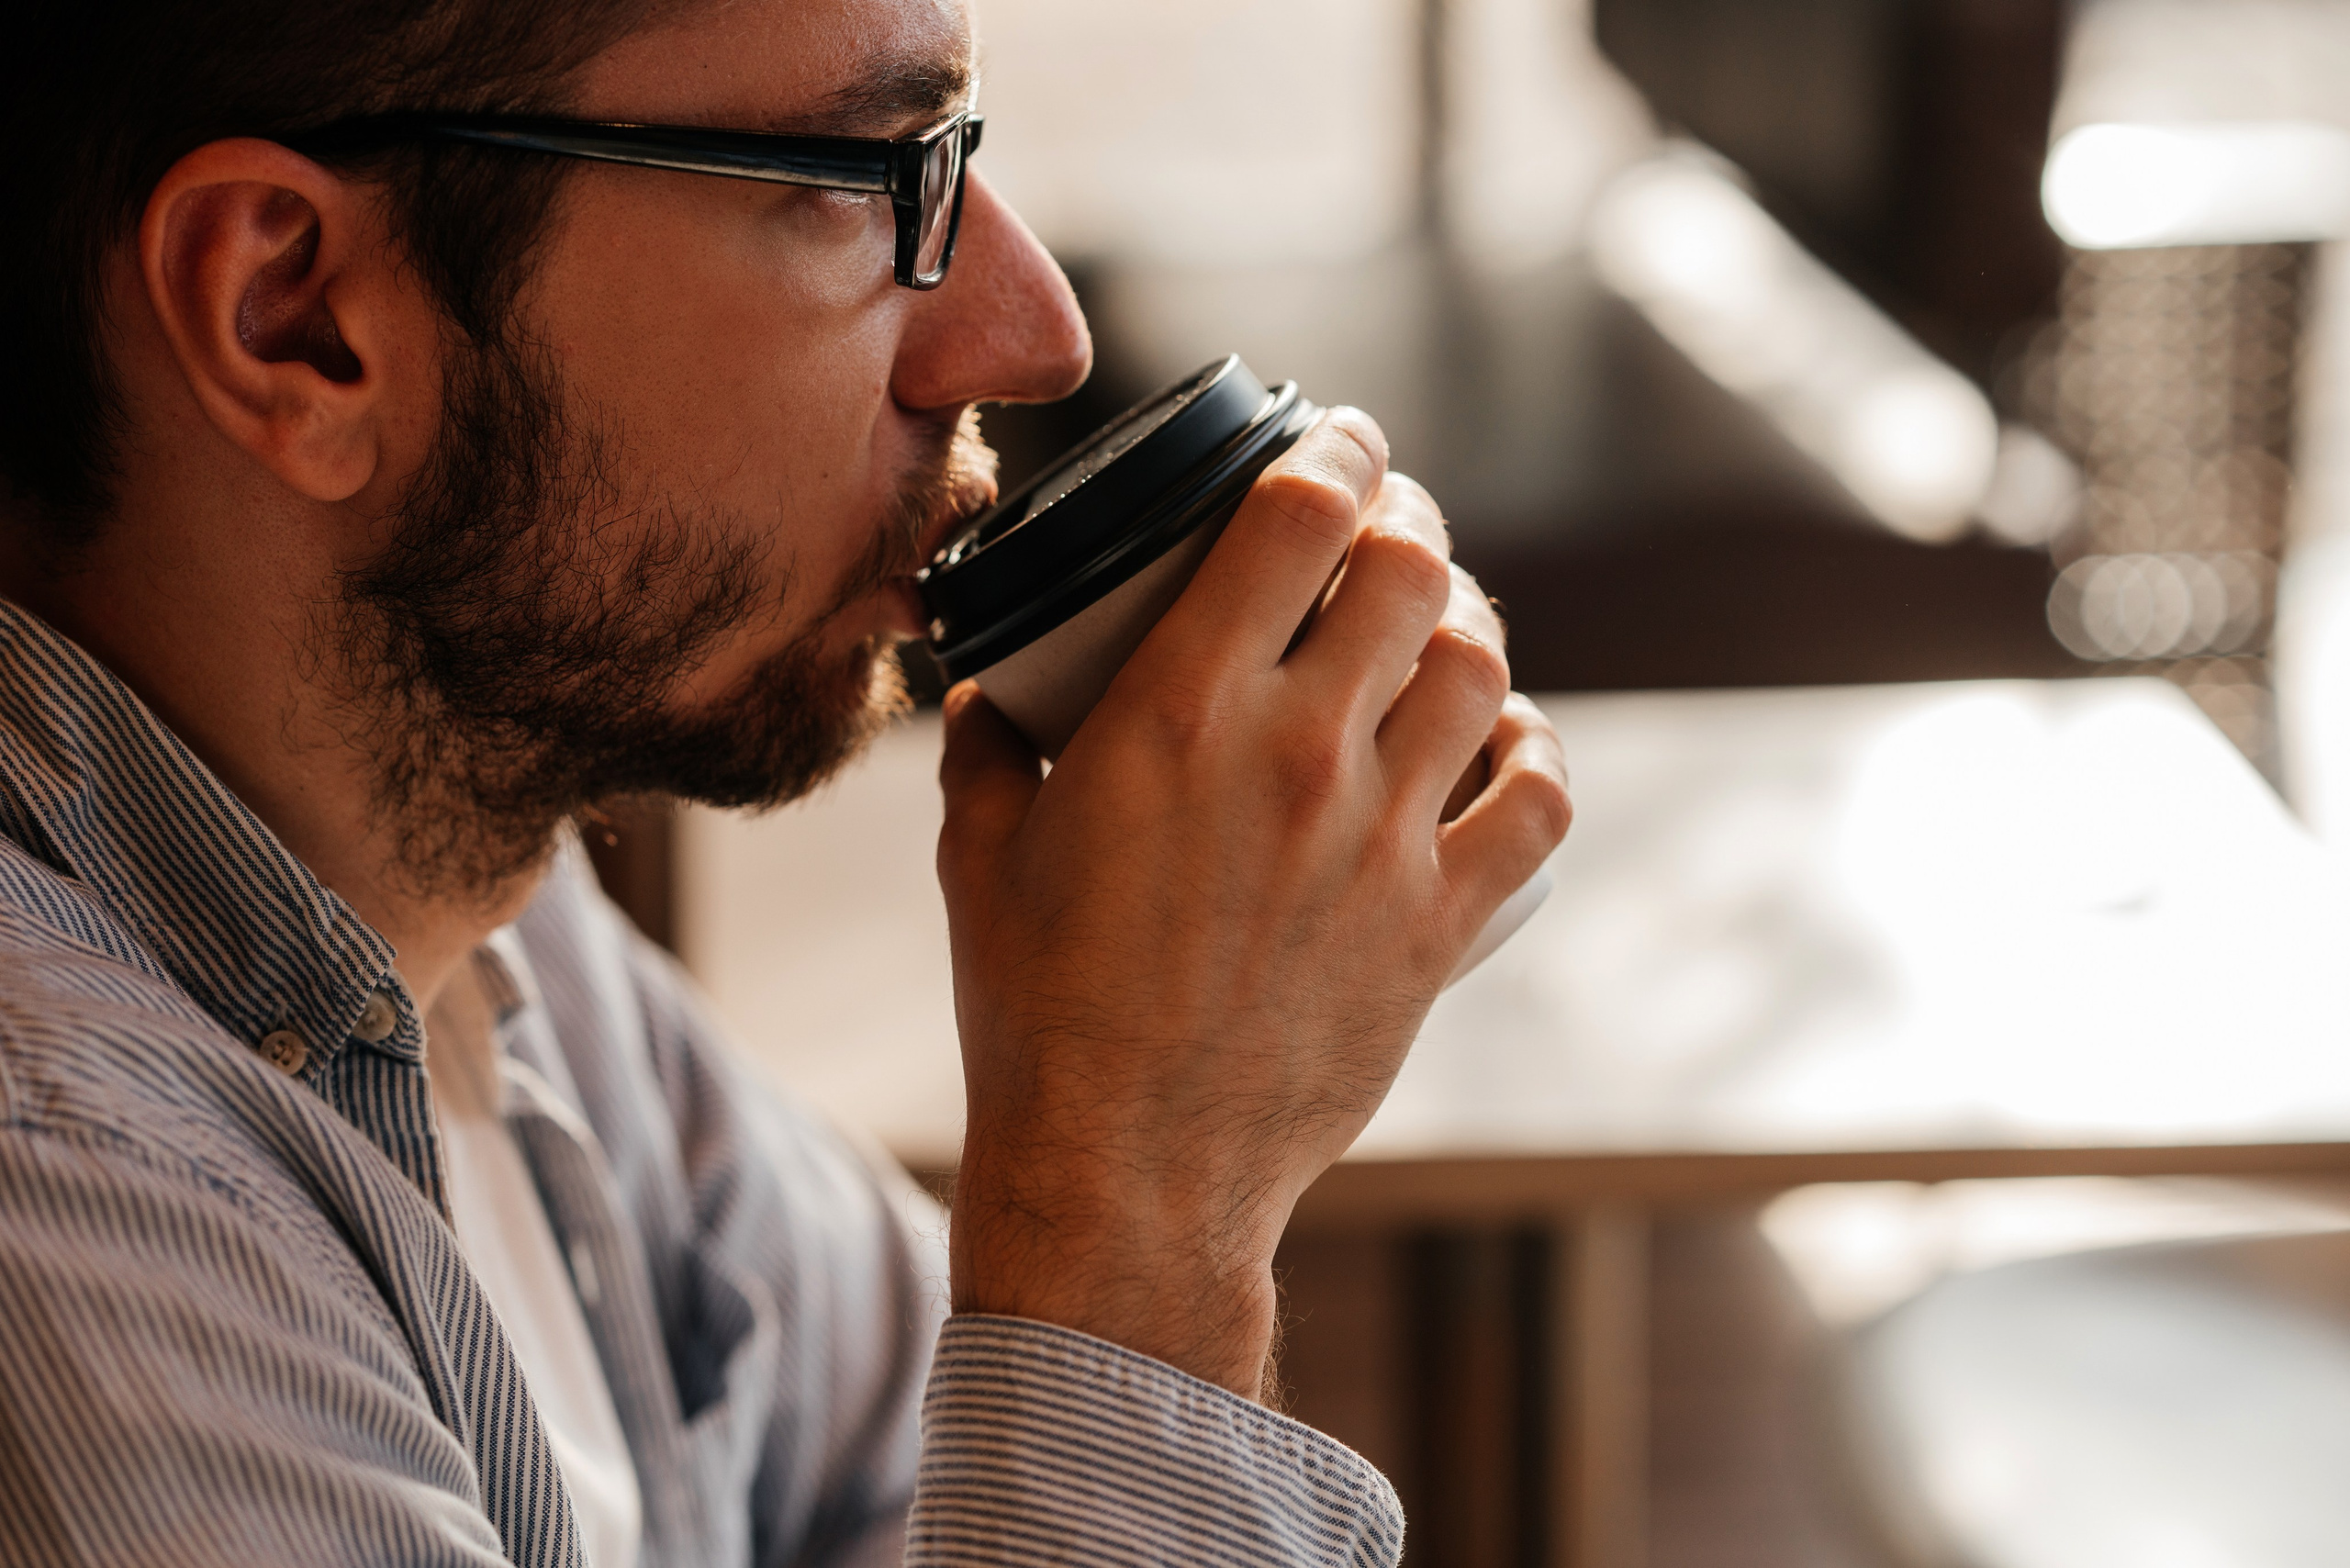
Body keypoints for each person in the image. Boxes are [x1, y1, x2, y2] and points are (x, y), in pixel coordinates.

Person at [0, 0, 1572, 1562]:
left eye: (957, 155)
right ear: (296, 316)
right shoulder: (78, 1198)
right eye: (859, 178)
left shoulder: (469, 899)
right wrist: (1138, 1207)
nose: (1034, 333)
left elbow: (896, 1482)